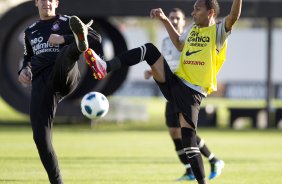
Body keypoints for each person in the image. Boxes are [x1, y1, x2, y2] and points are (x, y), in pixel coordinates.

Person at [84, 0, 242, 183]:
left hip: (192, 93)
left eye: (197, 9)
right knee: (149, 50)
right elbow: (179, 44)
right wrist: (164, 19)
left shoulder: (219, 32)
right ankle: (105, 66)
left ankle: (205, 175)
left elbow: (233, 17)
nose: (193, 12)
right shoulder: (192, 29)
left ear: (210, 13)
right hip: (175, 83)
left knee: (189, 142)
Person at [18, 0, 101, 183]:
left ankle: (77, 44)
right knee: (40, 137)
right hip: (41, 83)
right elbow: (27, 58)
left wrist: (65, 38)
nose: (46, 3)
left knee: (65, 54)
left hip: (65, 74)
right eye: (43, 0)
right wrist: (24, 70)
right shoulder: (29, 31)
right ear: (36, 3)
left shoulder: (69, 21)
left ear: (56, 3)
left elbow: (97, 38)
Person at [144, 8, 224, 181]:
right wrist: (152, 72)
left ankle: (212, 160)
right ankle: (191, 167)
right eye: (171, 18)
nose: (173, 21)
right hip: (172, 89)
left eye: (177, 19)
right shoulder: (167, 41)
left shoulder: (192, 36)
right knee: (174, 131)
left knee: (185, 133)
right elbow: (167, 63)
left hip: (186, 89)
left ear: (183, 21)